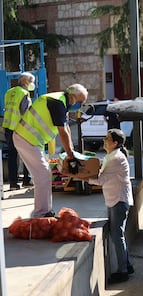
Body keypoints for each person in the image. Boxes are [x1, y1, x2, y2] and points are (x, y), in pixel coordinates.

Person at [13, 83, 88, 218]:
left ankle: (44, 211)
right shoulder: (58, 103)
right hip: (26, 138)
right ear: (72, 97)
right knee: (43, 174)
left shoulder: (61, 101)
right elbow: (62, 132)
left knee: (43, 174)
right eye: (80, 102)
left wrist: (72, 154)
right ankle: (42, 213)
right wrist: (71, 157)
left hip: (29, 139)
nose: (80, 105)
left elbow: (67, 130)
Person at [84, 129, 134, 283]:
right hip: (115, 199)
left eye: (107, 138)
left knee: (117, 235)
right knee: (116, 234)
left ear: (115, 143)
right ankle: (127, 265)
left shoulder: (116, 159)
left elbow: (100, 180)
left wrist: (83, 177)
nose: (104, 140)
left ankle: (123, 271)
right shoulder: (111, 156)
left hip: (118, 200)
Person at [2, 72, 35, 190]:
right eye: (31, 81)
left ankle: (13, 183)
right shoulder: (24, 93)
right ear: (25, 82)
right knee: (27, 154)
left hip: (8, 127)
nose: (32, 84)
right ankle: (26, 180)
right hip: (20, 129)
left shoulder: (9, 92)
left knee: (12, 155)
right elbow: (25, 113)